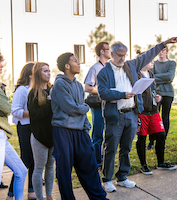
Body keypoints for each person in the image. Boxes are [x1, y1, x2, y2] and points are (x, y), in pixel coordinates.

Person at [97, 37, 177, 193]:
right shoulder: (104, 72)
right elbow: (103, 93)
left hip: (132, 114)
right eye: (120, 55)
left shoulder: (130, 65)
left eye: (124, 55)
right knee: (111, 148)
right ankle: (107, 179)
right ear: (113, 54)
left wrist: (164, 44)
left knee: (126, 148)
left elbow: (148, 55)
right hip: (115, 116)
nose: (122, 58)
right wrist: (123, 94)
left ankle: (122, 176)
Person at [51, 52, 109, 200]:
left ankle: (99, 197)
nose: (79, 63)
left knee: (89, 165)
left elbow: (78, 110)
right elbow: (71, 108)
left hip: (80, 131)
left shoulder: (78, 85)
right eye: (75, 61)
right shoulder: (59, 84)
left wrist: (85, 126)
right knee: (64, 169)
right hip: (63, 131)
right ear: (67, 66)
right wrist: (85, 107)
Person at [0, 49, 27, 199]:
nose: (1, 65)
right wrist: (2, 106)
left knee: (21, 171)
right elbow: (6, 107)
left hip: (0, 135)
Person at [135, 51, 177, 175]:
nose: (153, 61)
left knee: (160, 135)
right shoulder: (136, 75)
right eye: (150, 60)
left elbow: (153, 91)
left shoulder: (151, 73)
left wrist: (157, 97)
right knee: (142, 138)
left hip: (154, 111)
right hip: (142, 112)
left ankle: (161, 163)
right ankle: (144, 165)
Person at [6, 63, 37, 200]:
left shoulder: (37, 88)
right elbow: (16, 111)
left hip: (36, 128)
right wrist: (35, 113)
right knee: (25, 160)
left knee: (35, 160)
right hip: (25, 127)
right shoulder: (22, 90)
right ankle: (11, 194)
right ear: (30, 74)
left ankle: (31, 192)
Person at [27, 62, 55, 200]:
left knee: (51, 167)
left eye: (49, 71)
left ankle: (49, 196)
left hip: (53, 135)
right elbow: (34, 115)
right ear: (38, 73)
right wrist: (49, 104)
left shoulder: (53, 90)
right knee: (39, 167)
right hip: (39, 136)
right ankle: (40, 197)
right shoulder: (33, 93)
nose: (49, 73)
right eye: (45, 71)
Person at [84, 42, 111, 168]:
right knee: (98, 134)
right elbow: (87, 87)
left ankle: (105, 160)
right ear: (102, 51)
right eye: (108, 49)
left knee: (109, 134)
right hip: (99, 105)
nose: (111, 51)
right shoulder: (95, 68)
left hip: (110, 104)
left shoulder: (111, 67)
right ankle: (97, 161)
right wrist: (104, 92)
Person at [148, 46, 177, 149]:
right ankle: (151, 142)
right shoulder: (154, 64)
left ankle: (162, 142)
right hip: (156, 93)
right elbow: (151, 78)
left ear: (166, 52)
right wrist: (164, 78)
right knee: (154, 117)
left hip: (168, 93)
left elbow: (170, 76)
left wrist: (157, 77)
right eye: (159, 51)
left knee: (165, 118)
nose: (161, 53)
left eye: (163, 51)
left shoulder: (171, 63)